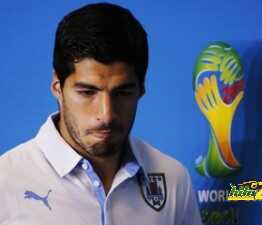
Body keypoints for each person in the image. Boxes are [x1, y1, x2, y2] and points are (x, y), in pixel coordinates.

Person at [0, 3, 202, 225]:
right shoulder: (6, 182)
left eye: (122, 93)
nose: (106, 115)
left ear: (141, 89)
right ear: (57, 85)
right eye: (87, 92)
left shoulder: (173, 179)